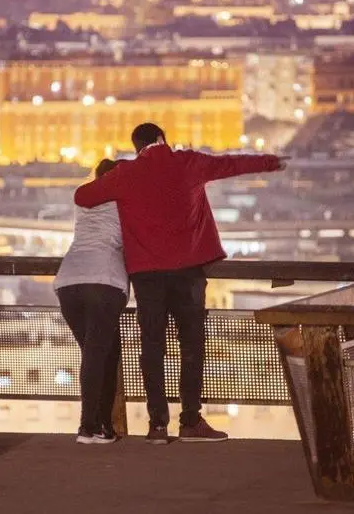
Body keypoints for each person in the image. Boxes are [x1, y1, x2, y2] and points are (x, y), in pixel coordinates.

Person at [74, 123, 288, 444]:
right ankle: (191, 421)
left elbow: (83, 196)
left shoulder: (127, 174)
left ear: (137, 147)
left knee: (152, 347)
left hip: (146, 276)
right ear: (162, 139)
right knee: (191, 345)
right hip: (189, 271)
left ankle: (157, 425)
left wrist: (114, 180)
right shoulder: (187, 163)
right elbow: (231, 164)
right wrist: (270, 161)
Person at [54, 158, 128, 445]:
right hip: (104, 281)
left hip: (69, 281)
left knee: (100, 354)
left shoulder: (84, 201)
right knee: (98, 355)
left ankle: (102, 426)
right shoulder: (126, 201)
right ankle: (88, 426)